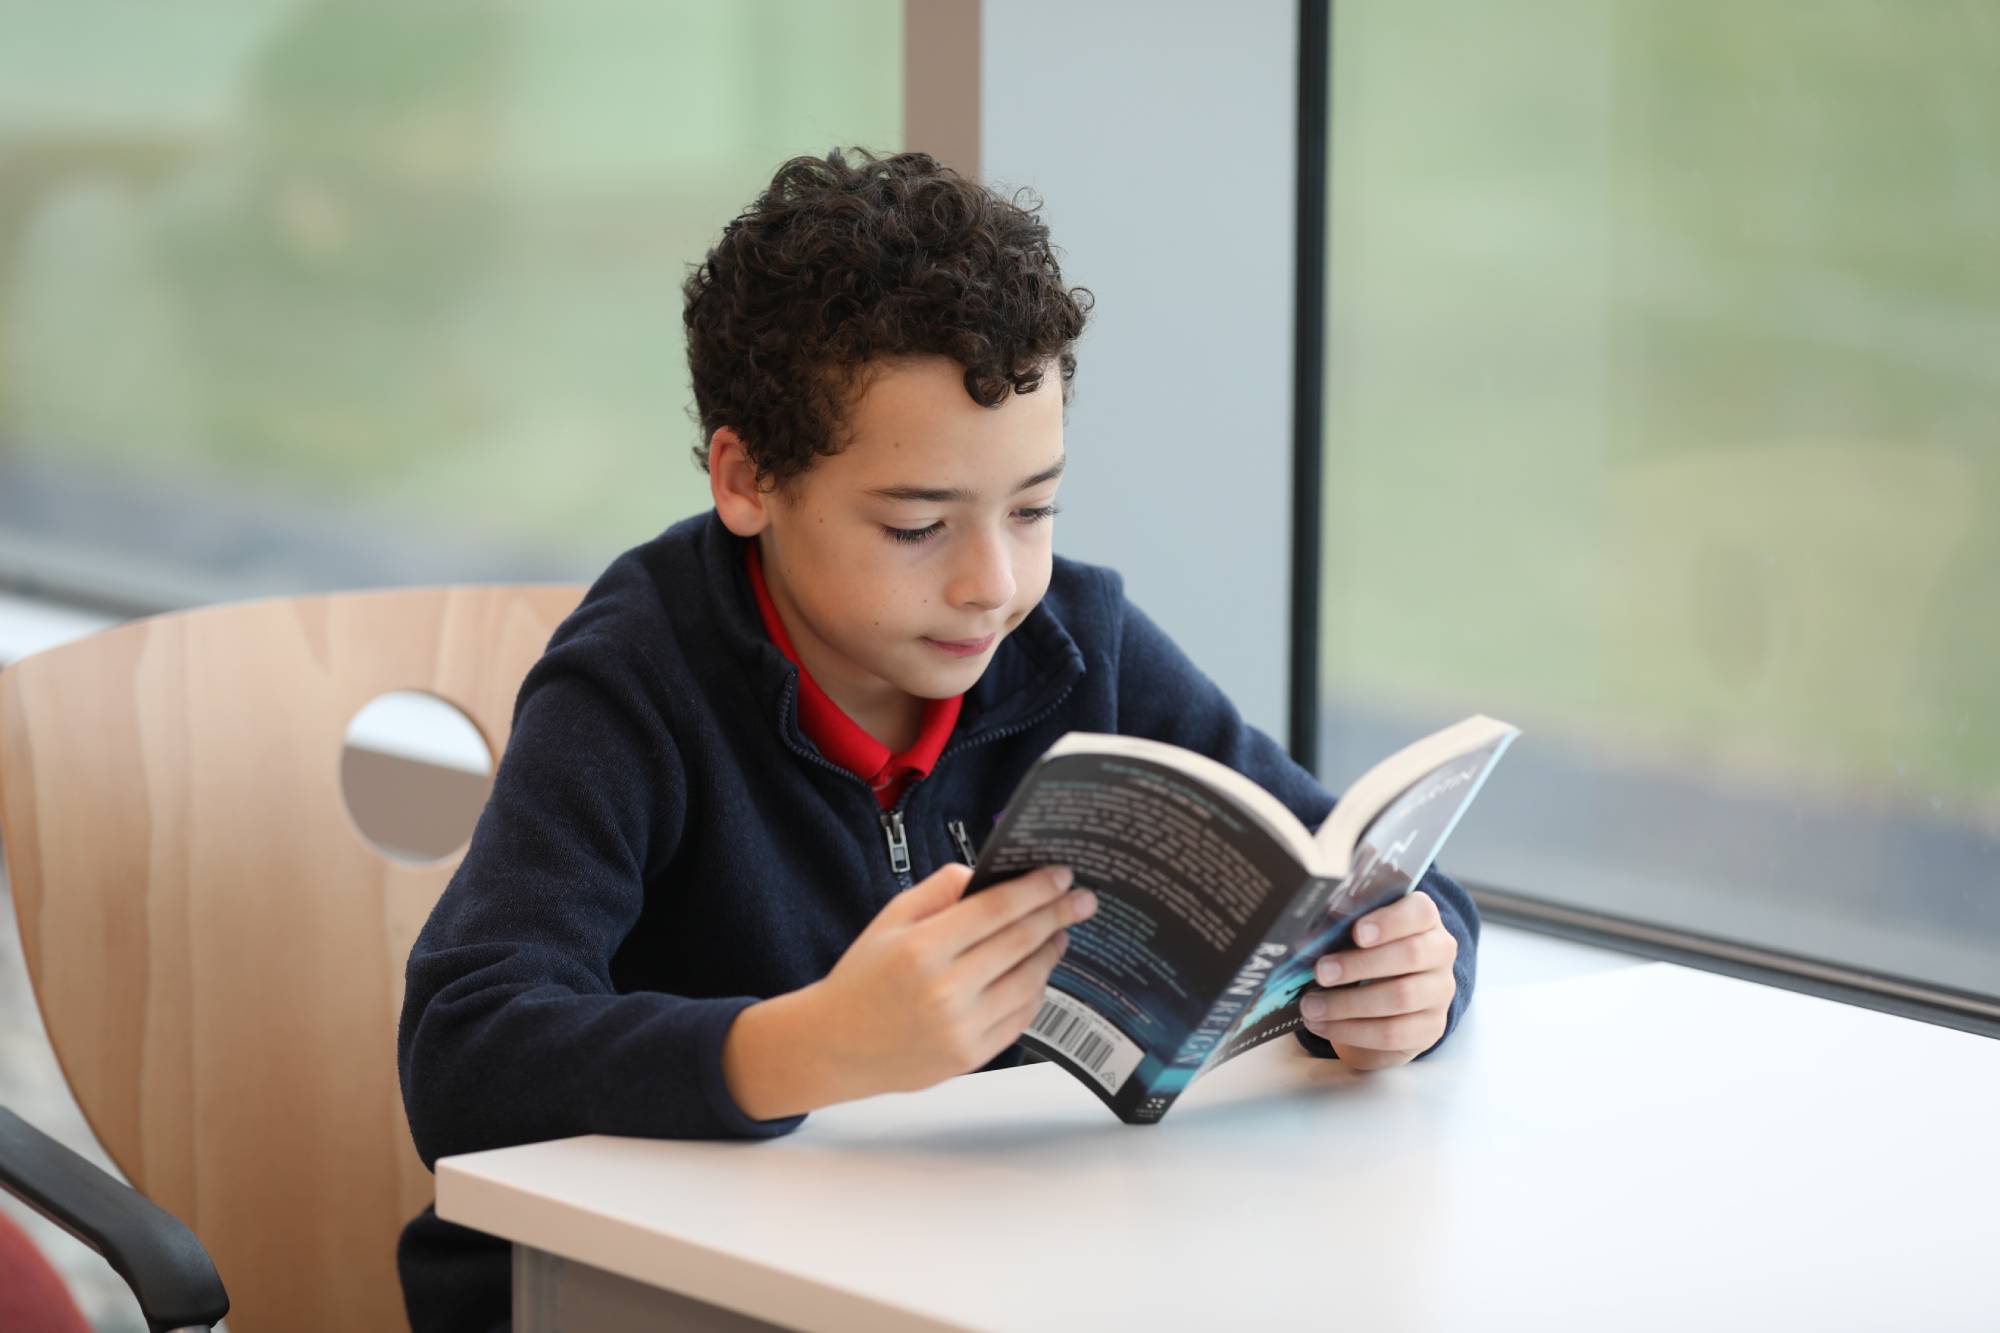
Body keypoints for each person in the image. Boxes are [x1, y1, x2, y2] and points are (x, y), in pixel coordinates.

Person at [395, 147, 1477, 1331]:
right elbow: (463, 1054)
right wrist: (807, 1047)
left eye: (1033, 508)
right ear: (745, 478)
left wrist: (1418, 969)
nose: (993, 583)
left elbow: (1338, 856)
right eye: (917, 526)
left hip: (968, 1264)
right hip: (645, 1290)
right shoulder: (636, 682)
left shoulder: (1076, 643)